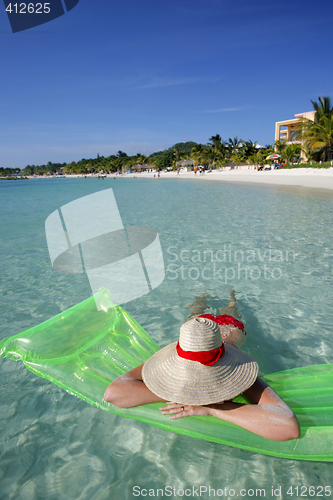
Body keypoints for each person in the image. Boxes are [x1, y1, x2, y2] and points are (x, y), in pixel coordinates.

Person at [104, 303, 300, 442]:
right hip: (201, 330)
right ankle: (203, 298)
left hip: (232, 329)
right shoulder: (179, 354)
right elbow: (113, 393)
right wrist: (181, 395)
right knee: (197, 310)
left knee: (231, 308)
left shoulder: (236, 371)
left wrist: (212, 408)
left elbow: (288, 427)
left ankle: (232, 298)